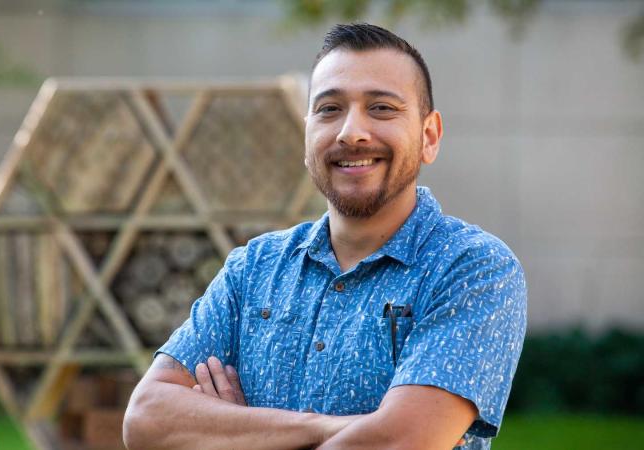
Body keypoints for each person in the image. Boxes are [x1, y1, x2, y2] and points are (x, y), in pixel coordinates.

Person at [123, 23, 526, 450]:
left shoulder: (472, 268)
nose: (351, 132)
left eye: (382, 109)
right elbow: (146, 419)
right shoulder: (254, 268)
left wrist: (238, 431)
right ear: (307, 135)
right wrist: (327, 429)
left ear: (429, 136)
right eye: (329, 109)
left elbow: (402, 441)